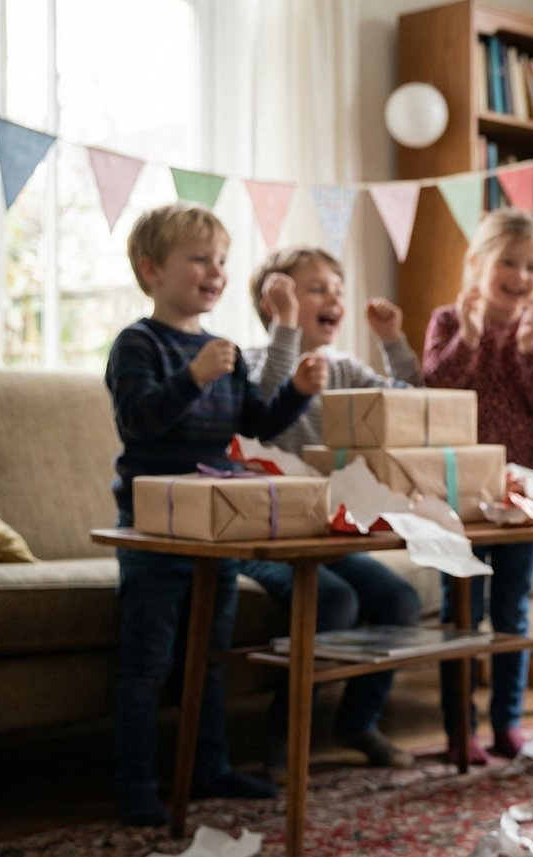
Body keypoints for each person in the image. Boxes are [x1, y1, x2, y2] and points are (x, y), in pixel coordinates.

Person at [106, 203, 327, 826]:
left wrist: (297, 394)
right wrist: (191, 379)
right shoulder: (137, 343)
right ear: (151, 270)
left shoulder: (220, 350)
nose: (216, 271)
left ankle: (209, 766)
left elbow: (254, 423)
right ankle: (135, 781)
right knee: (148, 663)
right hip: (155, 531)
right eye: (200, 258)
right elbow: (138, 420)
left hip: (218, 525)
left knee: (211, 655)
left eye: (222, 260)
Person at [243, 246, 424, 781]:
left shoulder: (346, 368)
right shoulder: (255, 360)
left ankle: (357, 721)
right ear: (275, 301)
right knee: (335, 600)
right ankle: (285, 733)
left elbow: (408, 403)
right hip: (267, 535)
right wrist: (285, 332)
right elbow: (261, 413)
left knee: (401, 600)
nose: (334, 298)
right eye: (316, 287)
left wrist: (392, 340)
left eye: (337, 289)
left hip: (328, 533)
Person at [421, 208, 533, 765]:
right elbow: (437, 383)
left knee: (513, 613)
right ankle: (460, 729)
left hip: (520, 495)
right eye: (509, 262)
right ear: (479, 264)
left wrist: (528, 349)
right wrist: (473, 337)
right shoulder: (449, 321)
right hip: (456, 493)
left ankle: (508, 723)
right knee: (463, 615)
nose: (521, 276)